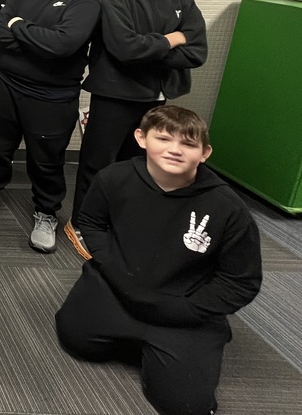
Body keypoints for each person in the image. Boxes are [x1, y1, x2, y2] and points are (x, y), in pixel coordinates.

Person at [56, 106, 261, 415]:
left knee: (185, 406)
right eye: (164, 139)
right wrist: (113, 268)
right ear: (141, 138)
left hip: (181, 309)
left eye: (188, 144)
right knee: (77, 340)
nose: (175, 150)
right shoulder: (114, 178)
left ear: (205, 153)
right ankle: (139, 342)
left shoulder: (228, 208)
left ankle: (166, 349)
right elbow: (92, 224)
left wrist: (187, 309)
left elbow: (240, 281)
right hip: (119, 289)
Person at [66, 0, 207, 260]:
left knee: (144, 164)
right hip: (116, 94)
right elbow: (125, 50)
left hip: (160, 99)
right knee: (99, 162)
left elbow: (198, 51)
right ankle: (82, 222)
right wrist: (172, 40)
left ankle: (122, 220)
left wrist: (150, 47)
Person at [0, 0, 100, 253]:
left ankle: (46, 212)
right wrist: (35, 36)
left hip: (51, 96)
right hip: (5, 85)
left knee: (46, 160)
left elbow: (63, 45)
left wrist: (20, 28)